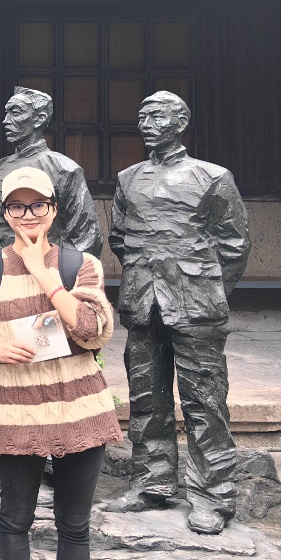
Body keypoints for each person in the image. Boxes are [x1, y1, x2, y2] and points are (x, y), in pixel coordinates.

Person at [0, 168, 122, 560]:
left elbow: (91, 329)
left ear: (53, 209)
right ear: (5, 212)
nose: (28, 215)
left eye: (37, 205)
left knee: (75, 524)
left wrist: (43, 275)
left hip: (79, 408)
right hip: (16, 407)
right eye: (17, 206)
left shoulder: (80, 265)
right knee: (14, 518)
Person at [104, 91, 251, 534]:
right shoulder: (128, 178)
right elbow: (119, 238)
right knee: (146, 398)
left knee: (204, 402)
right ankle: (152, 483)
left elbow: (234, 245)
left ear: (181, 122)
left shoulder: (212, 176)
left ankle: (214, 495)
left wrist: (203, 289)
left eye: (157, 116)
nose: (147, 123)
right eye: (142, 115)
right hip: (142, 302)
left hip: (196, 306)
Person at [0, 87, 103, 257]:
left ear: (39, 119)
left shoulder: (64, 169)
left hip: (46, 268)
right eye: (6, 113)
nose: (6, 121)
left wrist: (56, 268)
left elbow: (86, 236)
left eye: (15, 113)